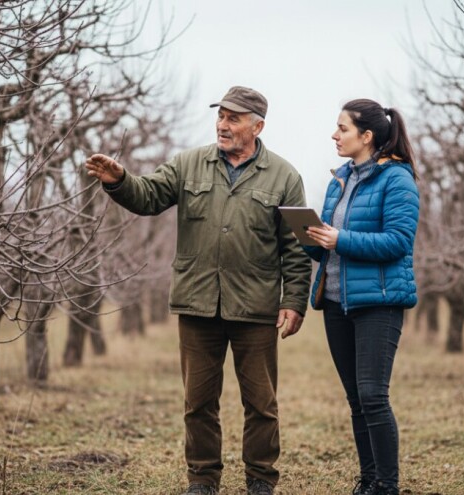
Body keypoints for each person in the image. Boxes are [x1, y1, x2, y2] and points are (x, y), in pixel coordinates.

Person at [84, 86, 312, 495]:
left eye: (234, 118)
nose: (223, 125)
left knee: (261, 403)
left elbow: (294, 248)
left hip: (255, 307)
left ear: (257, 126)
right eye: (221, 116)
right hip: (197, 303)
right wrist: (120, 181)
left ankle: (261, 478)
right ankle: (202, 480)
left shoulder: (285, 176)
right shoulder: (189, 164)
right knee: (198, 402)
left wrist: (294, 302)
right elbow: (150, 196)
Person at [303, 99, 419, 495]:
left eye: (342, 129)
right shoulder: (340, 179)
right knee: (356, 399)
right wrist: (307, 237)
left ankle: (388, 486)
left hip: (379, 303)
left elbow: (398, 243)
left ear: (366, 136)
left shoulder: (397, 179)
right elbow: (327, 248)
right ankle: (368, 481)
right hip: (336, 303)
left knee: (373, 395)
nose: (334, 135)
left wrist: (340, 239)